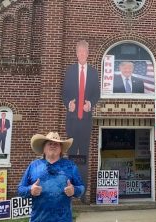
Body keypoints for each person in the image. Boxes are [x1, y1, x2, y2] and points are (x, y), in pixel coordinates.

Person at [18, 132, 85, 222]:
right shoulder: (33, 166)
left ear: (61, 149)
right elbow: (20, 189)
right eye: (50, 143)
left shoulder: (70, 166)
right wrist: (30, 190)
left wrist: (74, 190)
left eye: (56, 144)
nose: (53, 145)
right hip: (38, 219)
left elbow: (81, 188)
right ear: (44, 148)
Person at [62, 40, 100, 198]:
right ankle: (70, 189)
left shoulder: (93, 72)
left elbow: (97, 94)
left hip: (85, 121)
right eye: (80, 51)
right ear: (76, 53)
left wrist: (90, 103)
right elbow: (63, 92)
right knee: (72, 155)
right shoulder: (70, 71)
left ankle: (81, 192)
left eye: (85, 51)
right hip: (72, 120)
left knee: (83, 155)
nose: (82, 54)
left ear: (87, 53)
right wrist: (68, 103)